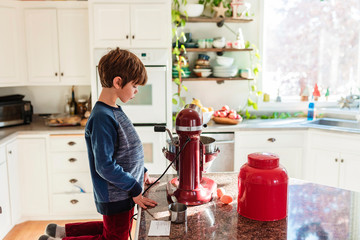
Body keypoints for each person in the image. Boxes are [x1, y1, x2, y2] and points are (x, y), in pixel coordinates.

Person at [39, 48, 158, 240]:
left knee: (112, 229)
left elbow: (125, 150)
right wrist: (135, 188)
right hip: (116, 194)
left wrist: (141, 170)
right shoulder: (102, 117)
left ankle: (62, 233)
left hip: (123, 190)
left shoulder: (114, 110)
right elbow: (104, 166)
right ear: (118, 82)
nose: (136, 91)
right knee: (114, 237)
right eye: (135, 85)